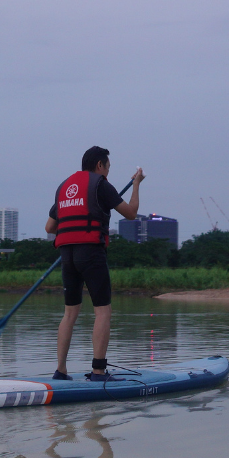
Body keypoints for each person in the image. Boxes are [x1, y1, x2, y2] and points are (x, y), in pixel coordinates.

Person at [45, 146, 144, 381]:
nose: (108, 173)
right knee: (102, 312)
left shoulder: (64, 187)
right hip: (91, 253)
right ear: (100, 165)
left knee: (70, 314)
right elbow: (130, 213)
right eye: (108, 167)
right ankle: (98, 371)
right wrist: (137, 184)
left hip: (67, 256)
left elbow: (50, 228)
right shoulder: (100, 184)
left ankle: (60, 370)